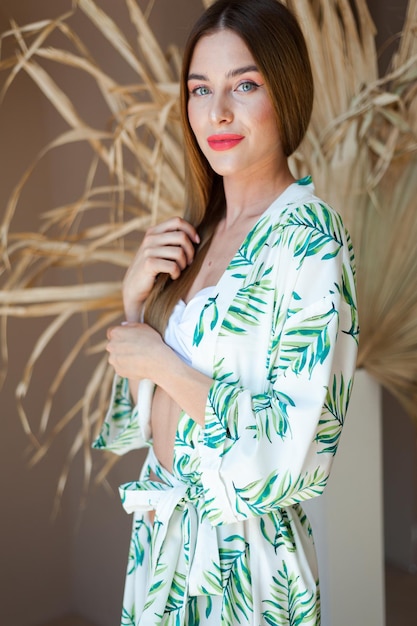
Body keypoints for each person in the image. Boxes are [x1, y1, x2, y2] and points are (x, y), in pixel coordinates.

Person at [94, 0, 359, 623]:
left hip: (243, 562)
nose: (217, 112)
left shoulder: (310, 239)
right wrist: (136, 303)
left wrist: (164, 362)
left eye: (244, 85)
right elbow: (137, 427)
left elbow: (293, 455)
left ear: (286, 91)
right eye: (199, 89)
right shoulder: (198, 233)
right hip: (161, 544)